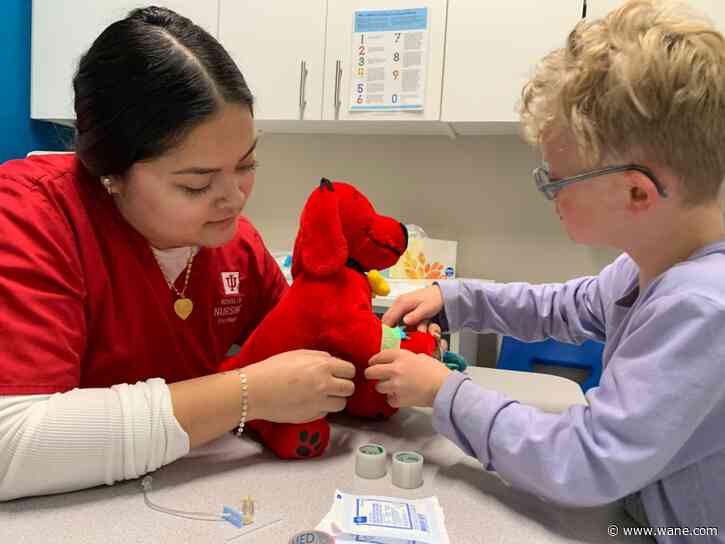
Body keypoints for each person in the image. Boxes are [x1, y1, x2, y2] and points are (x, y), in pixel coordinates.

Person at [367, 0, 725, 538]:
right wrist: (457, 297)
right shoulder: (649, 268)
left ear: (636, 191)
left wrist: (444, 392)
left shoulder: (701, 308)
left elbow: (583, 462)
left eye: (554, 183)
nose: (548, 196)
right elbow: (563, 307)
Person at [0, 7, 355, 501]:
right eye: (197, 183)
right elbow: (11, 444)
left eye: (246, 163)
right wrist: (249, 393)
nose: (233, 197)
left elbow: (304, 345)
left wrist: (373, 351)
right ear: (111, 173)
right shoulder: (31, 218)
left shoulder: (237, 245)